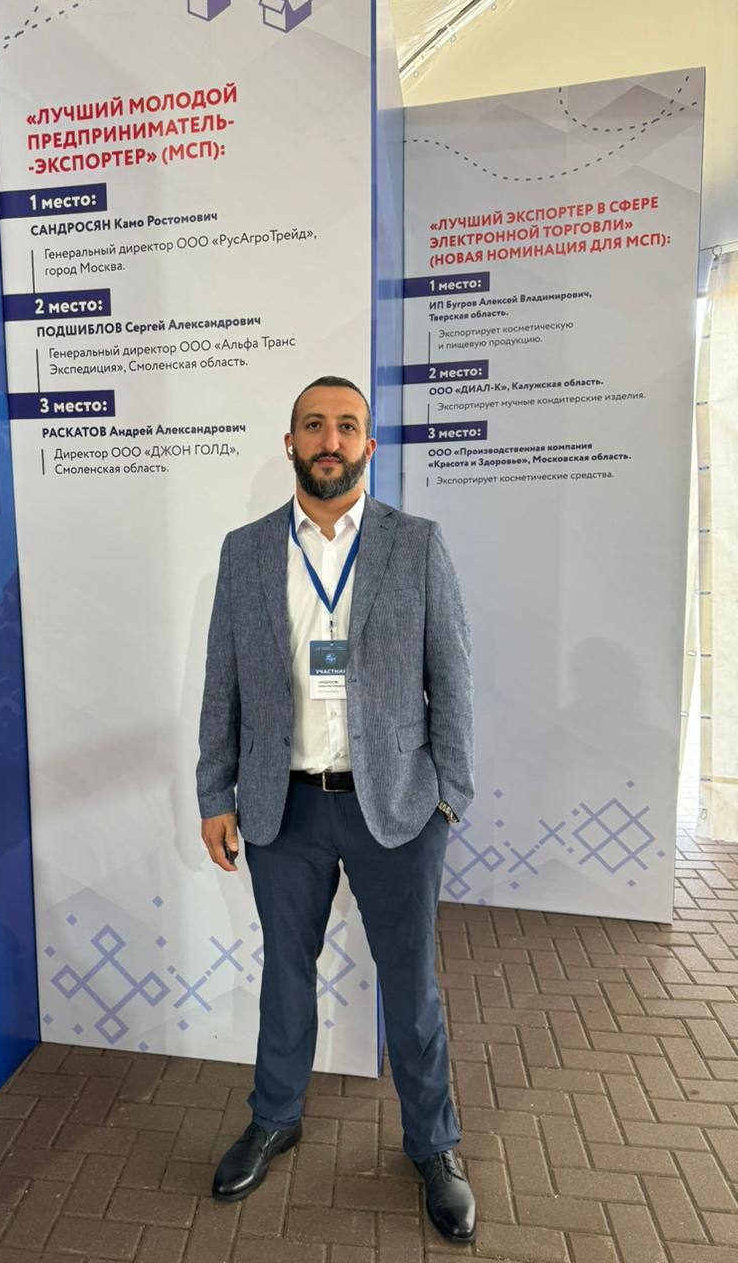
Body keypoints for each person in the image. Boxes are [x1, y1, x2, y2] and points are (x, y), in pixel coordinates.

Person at [196, 375, 476, 1244]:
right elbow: (222, 684)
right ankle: (274, 1117)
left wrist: (451, 799)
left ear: (368, 445)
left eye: (347, 426)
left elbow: (452, 678)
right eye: (314, 425)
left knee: (410, 986)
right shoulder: (245, 551)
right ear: (290, 443)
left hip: (395, 808)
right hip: (282, 807)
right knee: (286, 973)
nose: (330, 440)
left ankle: (434, 1146)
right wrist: (214, 793)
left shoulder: (416, 544)